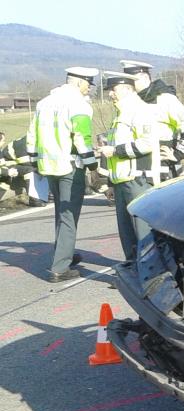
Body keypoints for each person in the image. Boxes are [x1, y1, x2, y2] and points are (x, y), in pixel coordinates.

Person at [26, 67, 98, 282]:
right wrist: (92, 164)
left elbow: (32, 135)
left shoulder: (44, 103)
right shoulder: (79, 105)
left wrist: (34, 161)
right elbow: (81, 137)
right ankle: (60, 268)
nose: (89, 88)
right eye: (88, 84)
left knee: (61, 212)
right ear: (78, 82)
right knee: (69, 216)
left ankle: (63, 253)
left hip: (48, 165)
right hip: (70, 166)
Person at [96, 72, 159, 262]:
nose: (110, 94)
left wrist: (116, 151)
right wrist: (110, 182)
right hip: (121, 180)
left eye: (113, 90)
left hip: (137, 179)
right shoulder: (120, 114)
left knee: (143, 233)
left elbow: (147, 143)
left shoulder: (140, 110)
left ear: (126, 89)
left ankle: (151, 272)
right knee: (127, 234)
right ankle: (133, 269)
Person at [120, 60, 184, 181]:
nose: (129, 84)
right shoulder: (131, 102)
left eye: (132, 80)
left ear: (145, 78)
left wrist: (178, 154)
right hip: (139, 170)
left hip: (163, 168)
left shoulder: (164, 98)